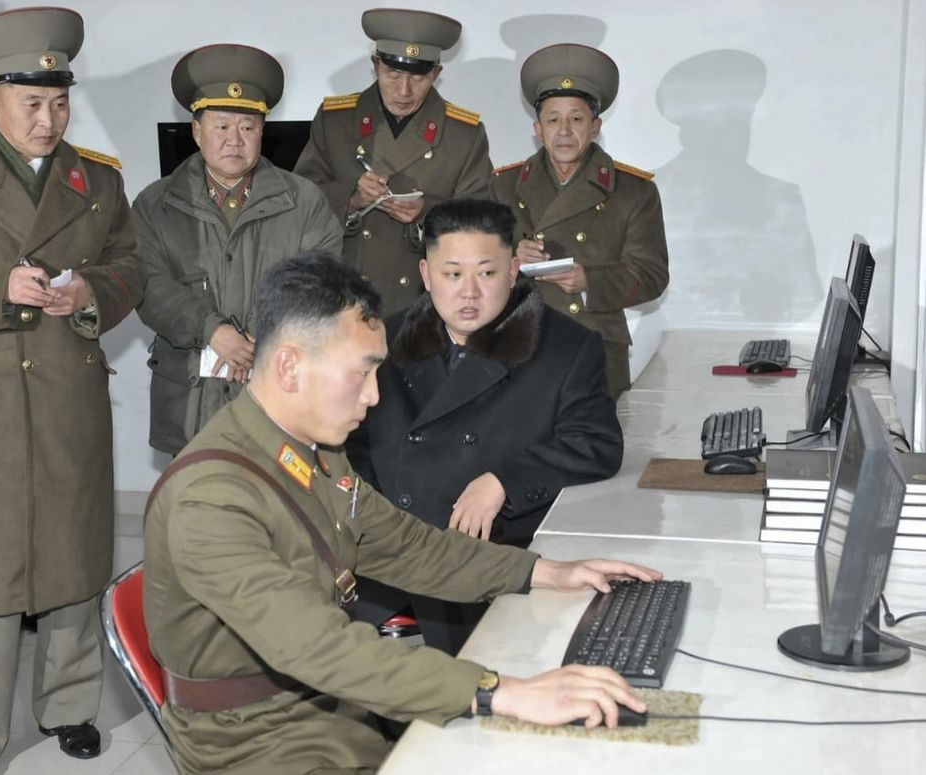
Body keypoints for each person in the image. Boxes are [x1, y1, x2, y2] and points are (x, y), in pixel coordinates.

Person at [143, 253, 659, 775]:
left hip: (331, 708)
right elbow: (317, 646)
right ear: (290, 367)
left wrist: (542, 572)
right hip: (254, 740)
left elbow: (407, 546)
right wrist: (500, 693)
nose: (373, 395)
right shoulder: (211, 498)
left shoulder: (312, 452)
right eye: (362, 372)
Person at [347, 198, 624, 654]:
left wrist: (504, 481)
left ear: (514, 271)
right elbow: (348, 443)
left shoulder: (566, 347)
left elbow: (596, 443)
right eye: (453, 274)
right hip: (386, 568)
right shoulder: (384, 341)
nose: (469, 293)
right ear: (425, 275)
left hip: (489, 572)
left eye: (487, 273)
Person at [0, 7, 146, 760]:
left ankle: (69, 702)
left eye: (59, 103)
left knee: (72, 550)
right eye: (32, 102)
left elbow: (131, 267)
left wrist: (90, 291)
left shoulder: (98, 180)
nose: (48, 120)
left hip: (67, 392)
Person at [134, 44, 342, 454]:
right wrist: (211, 330)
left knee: (280, 493)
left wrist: (263, 337)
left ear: (263, 130)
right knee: (195, 492)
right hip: (191, 400)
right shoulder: (155, 205)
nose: (235, 140)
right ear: (196, 131)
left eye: (247, 127)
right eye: (221, 126)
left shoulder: (304, 201)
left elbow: (324, 280)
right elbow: (146, 283)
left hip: (278, 394)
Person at [490, 44, 669, 400]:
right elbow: (472, 267)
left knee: (594, 435)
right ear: (537, 129)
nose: (564, 131)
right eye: (553, 120)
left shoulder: (632, 191)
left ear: (595, 126)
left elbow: (652, 275)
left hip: (594, 347)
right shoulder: (504, 185)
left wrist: (590, 280)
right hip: (519, 344)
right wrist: (510, 258)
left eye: (576, 119)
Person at [295, 7, 491, 314]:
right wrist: (351, 198)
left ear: (436, 74)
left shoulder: (463, 134)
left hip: (422, 306)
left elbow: (483, 224)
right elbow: (298, 202)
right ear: (375, 65)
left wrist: (426, 213)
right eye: (393, 75)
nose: (404, 91)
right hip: (341, 299)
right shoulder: (336, 120)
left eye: (418, 78)